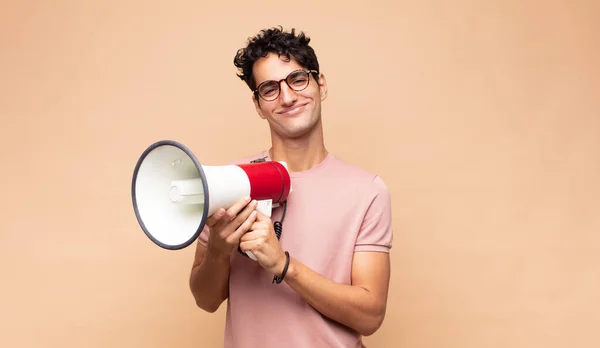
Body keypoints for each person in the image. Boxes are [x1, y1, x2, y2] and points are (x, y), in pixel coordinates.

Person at [189, 26, 394, 348]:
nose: (287, 97)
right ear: (258, 105)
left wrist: (283, 265)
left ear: (320, 84)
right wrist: (218, 248)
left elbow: (369, 317)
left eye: (297, 80)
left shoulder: (368, 191)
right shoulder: (229, 182)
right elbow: (205, 300)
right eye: (270, 89)